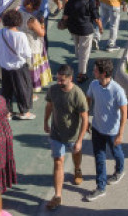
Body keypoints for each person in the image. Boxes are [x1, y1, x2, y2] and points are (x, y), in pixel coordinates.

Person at [43, 64, 89, 212]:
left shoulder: (78, 94)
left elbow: (85, 119)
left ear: (70, 78)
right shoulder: (53, 90)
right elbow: (49, 106)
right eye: (58, 79)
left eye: (62, 80)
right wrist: (45, 121)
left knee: (76, 154)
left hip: (73, 136)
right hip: (56, 134)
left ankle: (77, 169)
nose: (59, 82)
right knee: (58, 162)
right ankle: (57, 196)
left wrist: (80, 140)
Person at [84, 58, 128, 202]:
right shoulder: (93, 84)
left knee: (116, 152)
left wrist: (120, 133)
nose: (93, 71)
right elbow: (88, 99)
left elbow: (124, 113)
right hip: (97, 128)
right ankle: (101, 187)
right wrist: (86, 120)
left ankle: (120, 170)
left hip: (112, 132)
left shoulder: (117, 91)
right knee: (99, 158)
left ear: (104, 74)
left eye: (96, 70)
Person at [0, 9, 34, 119]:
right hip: (18, 67)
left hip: (4, 66)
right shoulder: (21, 35)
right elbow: (27, 53)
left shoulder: (1, 33)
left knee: (6, 90)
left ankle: (7, 112)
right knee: (23, 89)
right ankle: (24, 112)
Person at [62, 0, 102, 84]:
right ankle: (81, 74)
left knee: (77, 45)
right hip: (86, 30)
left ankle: (78, 57)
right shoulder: (89, 2)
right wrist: (100, 28)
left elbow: (65, 16)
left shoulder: (71, 1)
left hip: (73, 28)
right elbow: (96, 18)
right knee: (85, 52)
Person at [19, 0, 52, 92]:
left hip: (22, 46)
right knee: (33, 71)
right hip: (33, 47)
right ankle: (32, 92)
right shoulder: (32, 20)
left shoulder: (19, 13)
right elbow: (42, 33)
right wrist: (42, 24)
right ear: (36, 6)